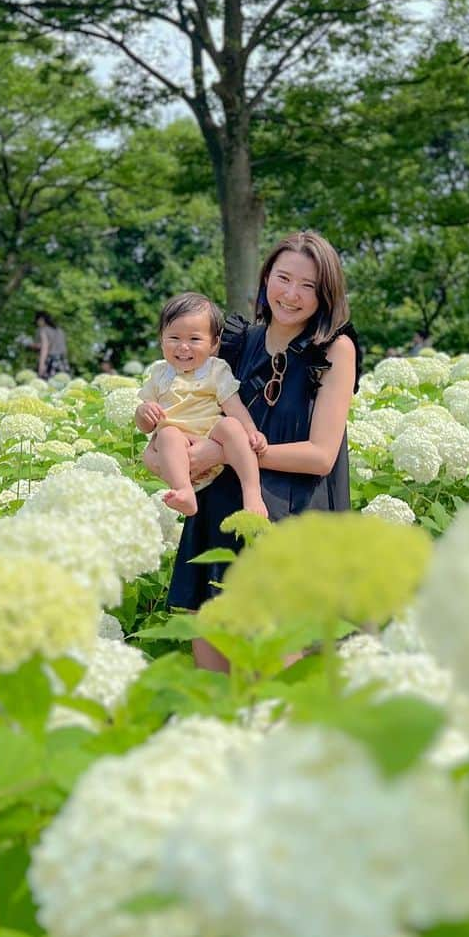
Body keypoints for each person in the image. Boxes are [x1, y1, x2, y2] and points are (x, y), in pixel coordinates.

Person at [167, 231, 360, 673]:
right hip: (220, 516)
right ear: (266, 278)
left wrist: (226, 454)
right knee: (214, 689)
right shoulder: (234, 344)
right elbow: (188, 422)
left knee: (276, 688)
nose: (291, 294)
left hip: (292, 522)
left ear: (326, 294)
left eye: (308, 286)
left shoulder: (335, 350)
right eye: (283, 278)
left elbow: (321, 455)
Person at [136, 293, 268, 519]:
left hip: (211, 439)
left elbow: (235, 406)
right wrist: (142, 412)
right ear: (161, 339)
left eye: (194, 339)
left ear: (214, 343)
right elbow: (146, 426)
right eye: (174, 338)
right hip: (177, 449)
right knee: (167, 434)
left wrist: (252, 432)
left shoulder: (216, 370)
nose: (183, 347)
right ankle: (184, 491)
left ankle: (252, 492)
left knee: (231, 425)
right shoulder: (159, 373)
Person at [34, 311, 69, 378]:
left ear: (41, 320)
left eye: (37, 321)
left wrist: (41, 364)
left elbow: (45, 347)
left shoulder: (43, 330)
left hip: (50, 361)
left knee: (48, 385)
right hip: (62, 361)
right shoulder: (60, 331)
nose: (37, 323)